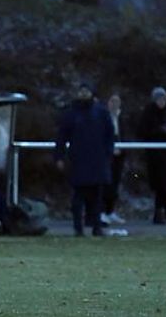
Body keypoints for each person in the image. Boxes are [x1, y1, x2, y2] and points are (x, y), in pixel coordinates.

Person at [54, 82, 115, 236]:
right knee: (78, 197)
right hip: (78, 160)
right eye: (81, 91)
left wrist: (108, 154)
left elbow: (110, 135)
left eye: (86, 91)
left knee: (97, 197)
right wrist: (59, 156)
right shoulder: (71, 114)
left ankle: (96, 227)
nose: (83, 94)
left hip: (98, 160)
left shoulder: (101, 113)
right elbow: (61, 137)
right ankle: (78, 228)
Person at [137, 87, 166, 224]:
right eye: (160, 99)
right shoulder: (148, 113)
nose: (162, 101)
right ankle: (158, 212)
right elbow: (143, 131)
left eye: (164, 99)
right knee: (159, 184)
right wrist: (162, 131)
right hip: (155, 155)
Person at [100, 93, 127, 226]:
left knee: (115, 182)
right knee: (106, 183)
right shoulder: (104, 117)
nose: (115, 104)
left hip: (120, 155)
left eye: (117, 102)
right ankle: (102, 212)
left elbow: (125, 134)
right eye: (112, 101)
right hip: (107, 154)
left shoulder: (122, 118)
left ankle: (111, 211)